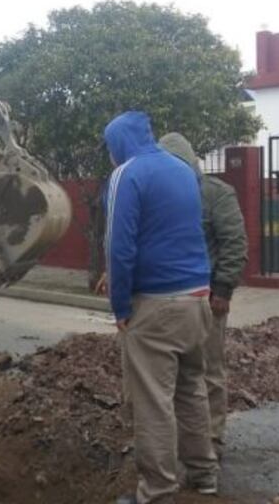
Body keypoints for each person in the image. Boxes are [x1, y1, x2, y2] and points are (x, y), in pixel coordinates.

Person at [103, 112, 218, 504]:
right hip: (197, 298)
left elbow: (118, 246)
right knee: (191, 390)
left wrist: (120, 306)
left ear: (117, 143)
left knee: (153, 401)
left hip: (156, 304)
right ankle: (204, 475)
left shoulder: (127, 174)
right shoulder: (182, 170)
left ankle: (157, 492)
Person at [159, 133, 248, 456]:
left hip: (208, 297)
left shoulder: (216, 194)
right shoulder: (159, 194)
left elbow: (235, 243)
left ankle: (211, 437)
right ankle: (181, 435)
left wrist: (223, 289)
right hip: (168, 297)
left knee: (208, 369)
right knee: (172, 371)